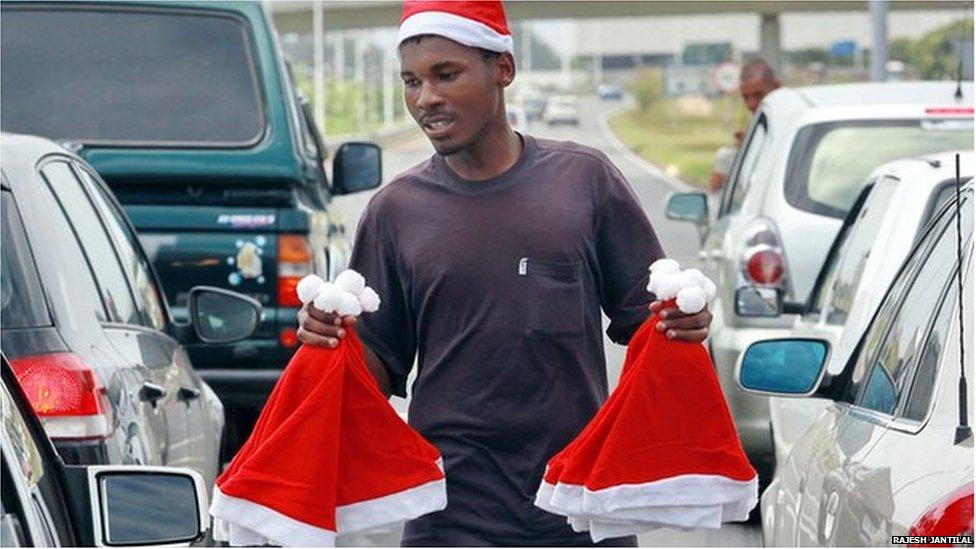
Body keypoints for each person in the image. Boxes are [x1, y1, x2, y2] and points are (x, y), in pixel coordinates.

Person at [297, 1, 714, 545]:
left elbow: (651, 325)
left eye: (447, 75)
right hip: (449, 515)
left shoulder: (584, 182)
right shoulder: (394, 211)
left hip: (575, 510)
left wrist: (686, 320)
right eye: (411, 82)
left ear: (503, 70)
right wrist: (329, 339)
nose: (427, 99)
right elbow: (375, 367)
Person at [708, 58, 780, 193]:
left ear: (777, 87)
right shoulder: (758, 124)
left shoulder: (795, 123)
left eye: (759, 95)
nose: (751, 104)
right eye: (745, 97)